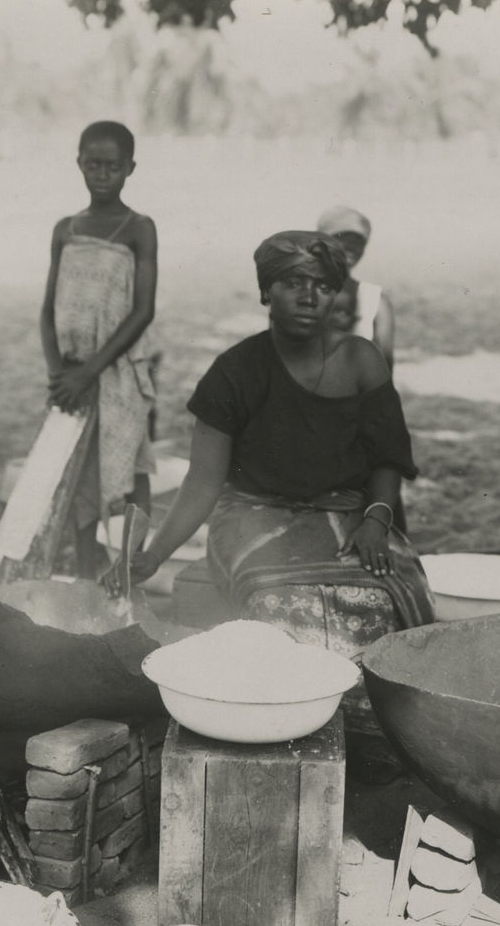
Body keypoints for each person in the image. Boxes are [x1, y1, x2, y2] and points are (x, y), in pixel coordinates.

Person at [117, 231, 433, 682]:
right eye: (293, 283)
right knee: (282, 609)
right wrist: (152, 557)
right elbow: (203, 481)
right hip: (252, 517)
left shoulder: (360, 359)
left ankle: (361, 711)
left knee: (390, 600)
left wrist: (377, 521)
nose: (309, 298)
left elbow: (388, 456)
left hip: (347, 514)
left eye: (323, 286)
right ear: (267, 290)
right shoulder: (234, 371)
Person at [42, 121, 158, 577]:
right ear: (79, 164)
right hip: (70, 374)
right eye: (93, 165)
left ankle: (129, 566)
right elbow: (47, 309)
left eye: (113, 166)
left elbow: (143, 310)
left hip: (117, 368)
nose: (102, 174)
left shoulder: (139, 228)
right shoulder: (66, 229)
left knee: (129, 465)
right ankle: (86, 568)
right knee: (77, 471)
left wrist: (90, 371)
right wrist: (59, 374)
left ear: (130, 168)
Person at [316, 205, 395, 370]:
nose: (351, 247)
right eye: (342, 239)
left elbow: (385, 370)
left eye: (358, 242)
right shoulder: (292, 294)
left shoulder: (375, 301)